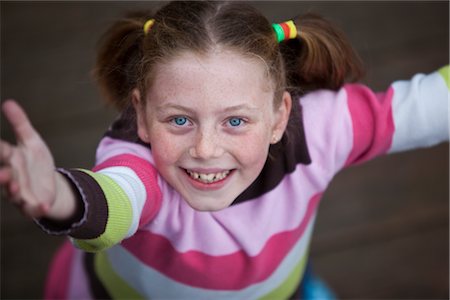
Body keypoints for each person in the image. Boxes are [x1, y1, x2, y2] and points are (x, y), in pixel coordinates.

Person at [0, 1, 448, 299]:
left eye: (235, 121)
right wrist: (58, 196)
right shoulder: (137, 157)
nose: (205, 149)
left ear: (279, 116)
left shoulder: (321, 130)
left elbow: (426, 107)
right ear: (140, 114)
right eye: (179, 119)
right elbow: (113, 198)